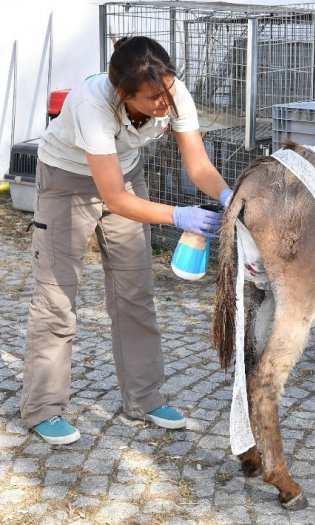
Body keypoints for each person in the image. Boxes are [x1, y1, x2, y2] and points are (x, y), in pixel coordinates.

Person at [21, 36, 234, 445]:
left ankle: (145, 398)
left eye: (168, 91)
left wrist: (226, 195)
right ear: (123, 95)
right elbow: (115, 198)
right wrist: (178, 216)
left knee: (136, 292)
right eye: (154, 97)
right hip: (67, 182)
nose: (165, 104)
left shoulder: (171, 90)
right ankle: (43, 408)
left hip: (126, 173)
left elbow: (199, 164)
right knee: (56, 299)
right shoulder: (91, 104)